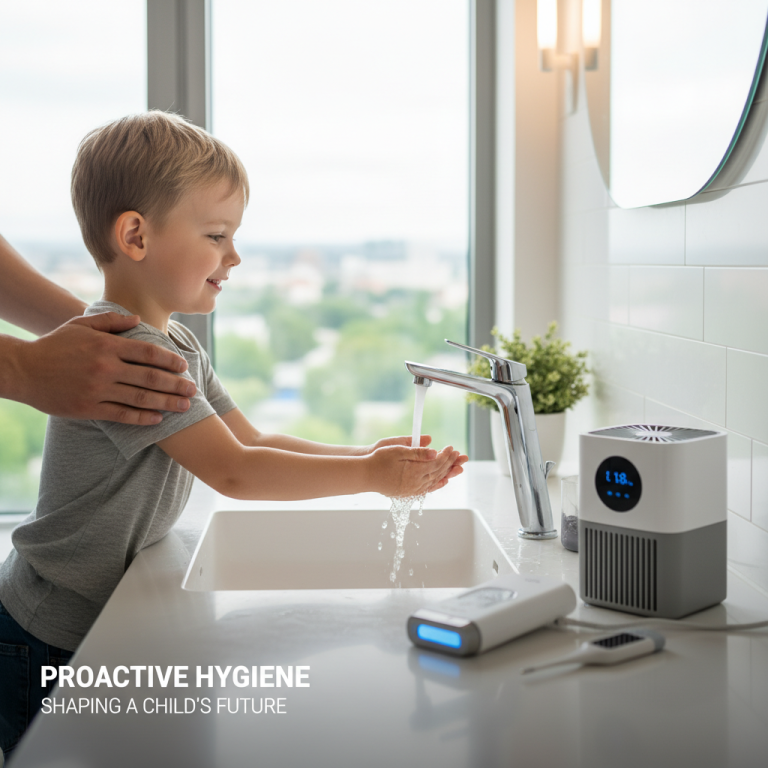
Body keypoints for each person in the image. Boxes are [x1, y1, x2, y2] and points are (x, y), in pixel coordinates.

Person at [0, 111, 467, 758]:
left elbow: (251, 439)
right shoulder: (133, 351)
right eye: (217, 235)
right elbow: (237, 472)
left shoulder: (173, 340)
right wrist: (368, 478)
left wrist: (370, 454)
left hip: (79, 614)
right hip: (49, 631)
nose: (235, 255)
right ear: (135, 235)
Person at [0, 234, 196, 424]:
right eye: (214, 236)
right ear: (135, 237)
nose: (228, 258)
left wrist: (104, 335)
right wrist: (24, 366)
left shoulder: (181, 340)